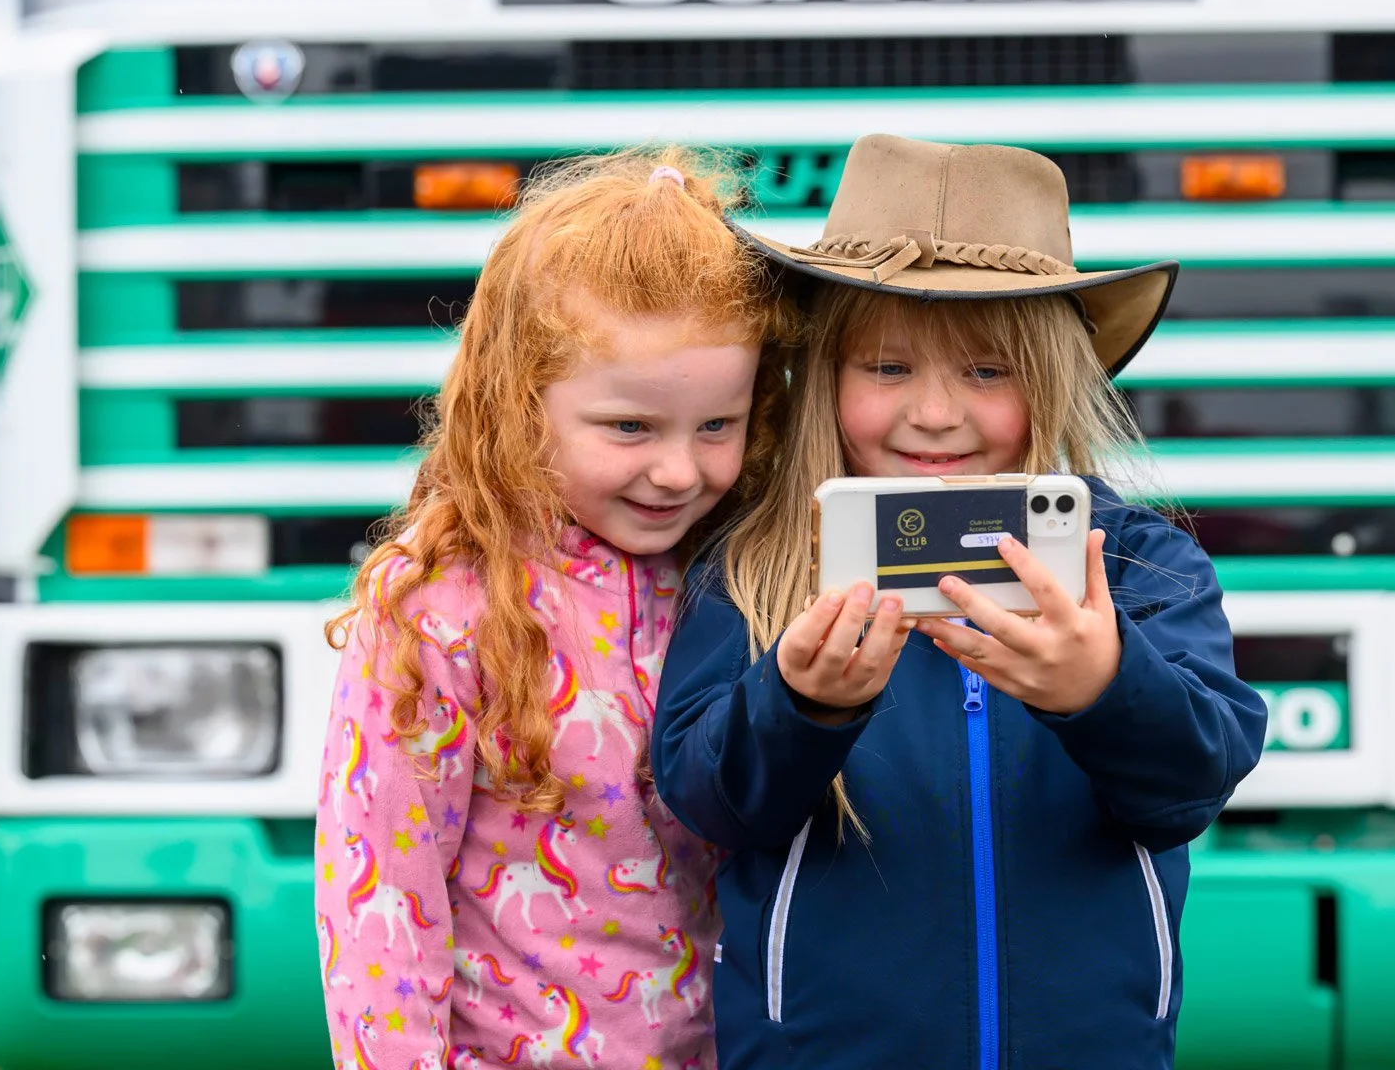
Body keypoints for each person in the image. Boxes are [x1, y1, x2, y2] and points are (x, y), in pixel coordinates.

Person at [652, 135, 1268, 1070]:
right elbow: (706, 802)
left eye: (987, 371)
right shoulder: (756, 564)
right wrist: (801, 704)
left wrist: (1101, 686)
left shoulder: (1139, 565)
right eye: (888, 368)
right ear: (824, 375)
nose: (936, 414)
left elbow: (1195, 782)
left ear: (1054, 380)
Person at [314, 149, 792, 1070]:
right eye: (630, 428)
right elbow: (380, 904)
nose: (679, 471)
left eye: (717, 427)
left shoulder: (743, 577)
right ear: (520, 403)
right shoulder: (439, 606)